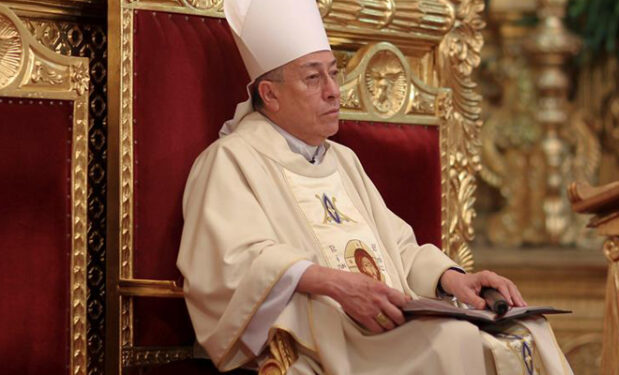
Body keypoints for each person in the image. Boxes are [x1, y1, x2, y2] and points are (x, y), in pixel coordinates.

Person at [177, 0, 573, 374]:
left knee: (528, 331)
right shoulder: (230, 161)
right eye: (313, 78)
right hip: (324, 340)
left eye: (334, 72)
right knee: (456, 340)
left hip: (386, 326)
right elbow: (229, 269)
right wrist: (333, 283)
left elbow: (397, 248)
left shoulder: (341, 160)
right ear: (270, 94)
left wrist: (452, 279)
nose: (333, 90)